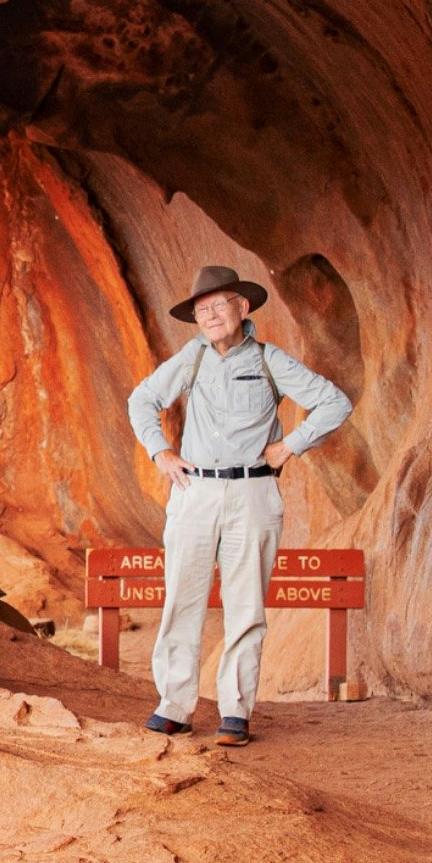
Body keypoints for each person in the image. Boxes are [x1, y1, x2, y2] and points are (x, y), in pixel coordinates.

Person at [128, 262, 351, 746]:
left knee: (245, 606)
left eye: (218, 306)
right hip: (195, 491)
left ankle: (235, 711)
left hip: (253, 493)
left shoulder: (271, 361)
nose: (209, 317)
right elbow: (141, 401)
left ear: (242, 307)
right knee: (181, 600)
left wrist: (291, 444)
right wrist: (160, 451)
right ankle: (175, 706)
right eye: (201, 310)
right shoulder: (192, 359)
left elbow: (334, 401)